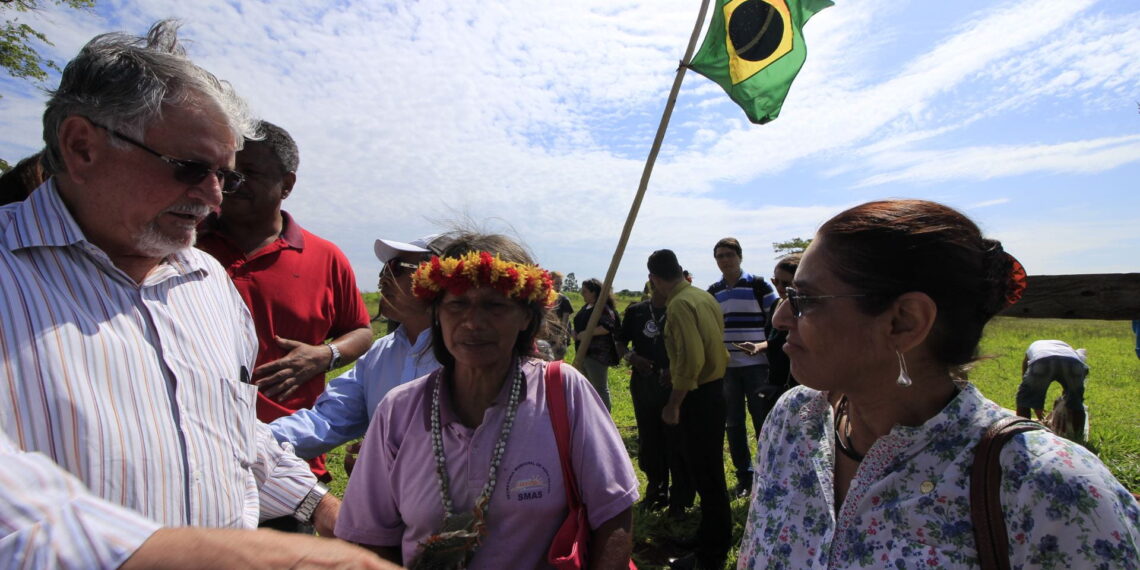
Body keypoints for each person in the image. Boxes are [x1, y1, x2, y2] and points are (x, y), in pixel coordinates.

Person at [0, 20, 387, 567]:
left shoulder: (207, 284)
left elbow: (232, 433)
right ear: (82, 146)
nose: (213, 197)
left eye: (224, 177)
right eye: (190, 169)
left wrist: (322, 506)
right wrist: (249, 557)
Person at [736, 199, 1139, 568]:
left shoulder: (1050, 490)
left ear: (904, 321)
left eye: (804, 300)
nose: (781, 317)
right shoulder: (794, 422)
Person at [336, 232, 638, 568]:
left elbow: (613, 514)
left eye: (495, 305)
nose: (473, 322)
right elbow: (369, 536)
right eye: (457, 304)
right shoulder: (399, 410)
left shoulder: (564, 391)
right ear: (437, 313)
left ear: (526, 317)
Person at [196, 120, 372, 495]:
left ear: (287, 185)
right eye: (228, 172)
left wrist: (326, 354)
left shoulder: (325, 257)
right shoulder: (183, 243)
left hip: (289, 463)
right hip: (193, 460)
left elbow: (362, 331)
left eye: (250, 173)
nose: (233, 183)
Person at [270, 234, 447, 472]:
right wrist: (252, 441)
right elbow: (327, 420)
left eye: (397, 267)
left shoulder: (466, 356)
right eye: (385, 268)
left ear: (439, 278)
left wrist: (385, 455)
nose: (383, 277)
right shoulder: (380, 353)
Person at [649, 249, 732, 570]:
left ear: (654, 279)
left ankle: (710, 555)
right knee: (706, 473)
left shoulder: (681, 304)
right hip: (713, 391)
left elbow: (693, 359)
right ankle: (707, 538)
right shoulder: (702, 296)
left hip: (698, 397)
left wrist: (673, 404)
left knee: (708, 478)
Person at [707, 237, 778, 497]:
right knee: (733, 423)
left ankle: (768, 475)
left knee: (763, 421)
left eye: (728, 255)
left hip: (758, 365)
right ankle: (745, 478)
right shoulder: (713, 291)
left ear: (739, 256)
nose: (724, 260)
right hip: (728, 367)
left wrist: (762, 345)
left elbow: (777, 322)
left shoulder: (759, 285)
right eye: (719, 256)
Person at [616, 279, 675, 510]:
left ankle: (678, 493)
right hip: (644, 382)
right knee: (648, 436)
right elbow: (620, 342)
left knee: (674, 436)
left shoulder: (678, 308)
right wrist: (633, 358)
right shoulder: (636, 311)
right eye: (654, 281)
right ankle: (655, 487)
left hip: (673, 384)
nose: (658, 285)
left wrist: (676, 369)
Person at [1017, 339, 1089, 440]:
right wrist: (1072, 398)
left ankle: (1021, 434)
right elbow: (1077, 384)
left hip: (1042, 360)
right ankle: (1077, 438)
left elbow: (1026, 376)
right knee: (1076, 404)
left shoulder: (1035, 345)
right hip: (1073, 364)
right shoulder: (1070, 351)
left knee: (1024, 401)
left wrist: (1033, 401)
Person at [574, 277, 622, 410]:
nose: (582, 294)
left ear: (594, 292)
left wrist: (587, 333)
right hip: (583, 352)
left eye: (585, 291)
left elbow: (607, 327)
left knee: (600, 388)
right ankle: (593, 414)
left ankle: (605, 416)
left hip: (597, 354)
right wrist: (575, 332)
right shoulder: (586, 307)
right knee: (588, 386)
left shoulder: (603, 308)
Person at [550, 270, 575, 360]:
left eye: (560, 284)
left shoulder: (564, 300)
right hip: (546, 334)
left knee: (556, 361)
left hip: (559, 335)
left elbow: (565, 321)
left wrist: (561, 337)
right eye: (556, 283)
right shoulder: (544, 299)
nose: (559, 286)